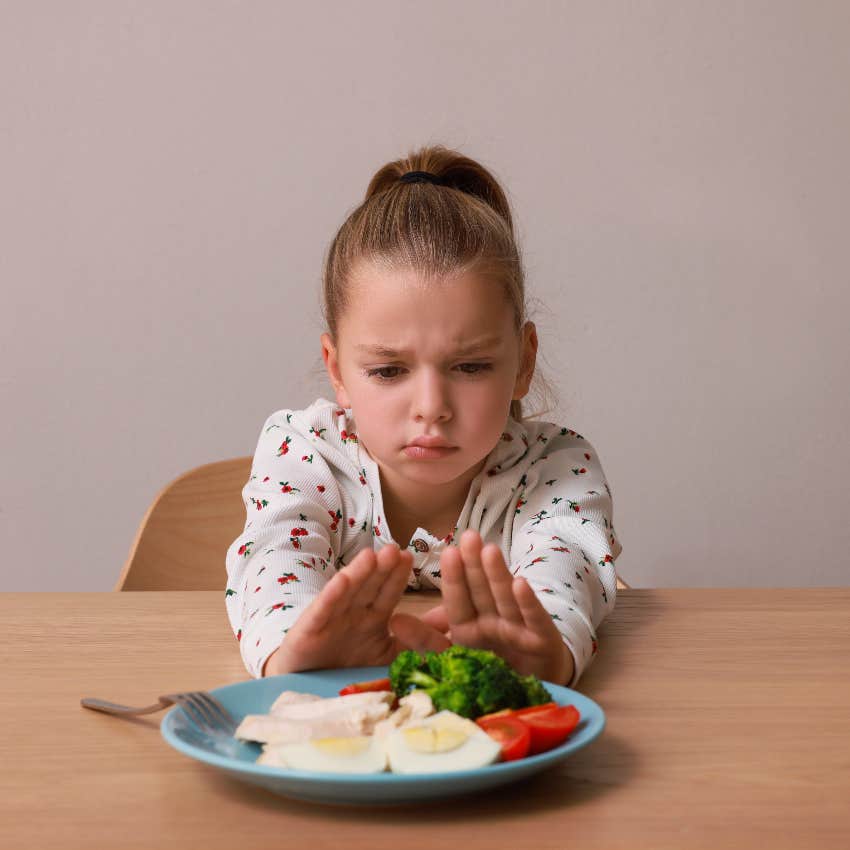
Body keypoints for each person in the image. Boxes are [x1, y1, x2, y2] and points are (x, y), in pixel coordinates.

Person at [225, 145, 623, 688]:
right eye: (389, 371)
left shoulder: (554, 470)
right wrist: (293, 653)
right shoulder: (305, 452)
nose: (431, 407)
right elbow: (274, 556)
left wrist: (548, 655)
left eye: (471, 365)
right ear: (336, 370)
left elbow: (567, 564)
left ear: (524, 362)